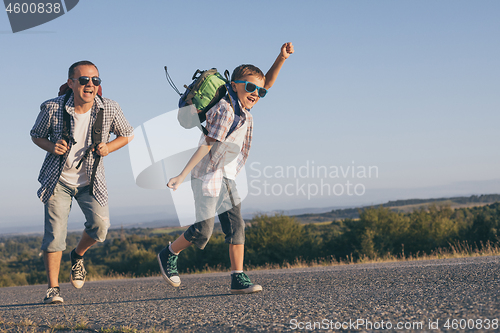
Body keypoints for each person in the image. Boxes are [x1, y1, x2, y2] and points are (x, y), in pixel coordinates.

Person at [157, 42, 294, 294]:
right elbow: (207, 145)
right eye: (250, 87)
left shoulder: (243, 105)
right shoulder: (226, 110)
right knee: (202, 231)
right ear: (234, 86)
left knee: (236, 226)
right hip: (207, 175)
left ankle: (237, 277)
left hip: (228, 176)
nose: (256, 93)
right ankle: (169, 253)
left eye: (259, 92)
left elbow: (268, 83)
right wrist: (181, 175)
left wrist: (281, 58)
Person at [30, 61, 134, 304]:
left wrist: (108, 147)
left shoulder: (109, 107)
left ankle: (77, 256)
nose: (90, 84)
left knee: (100, 226)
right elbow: (36, 135)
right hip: (58, 180)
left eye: (95, 80)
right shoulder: (52, 108)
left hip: (91, 180)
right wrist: (51, 146)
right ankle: (53, 289)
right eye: (84, 80)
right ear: (71, 83)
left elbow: (127, 134)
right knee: (55, 235)